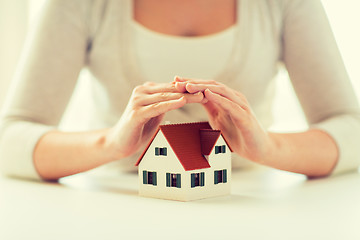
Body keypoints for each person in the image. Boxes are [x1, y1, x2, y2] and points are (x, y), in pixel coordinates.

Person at [0, 0, 359, 181]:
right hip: (113, 203)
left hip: (251, 203)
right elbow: (10, 137)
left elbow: (351, 128)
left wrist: (269, 146)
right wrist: (110, 144)